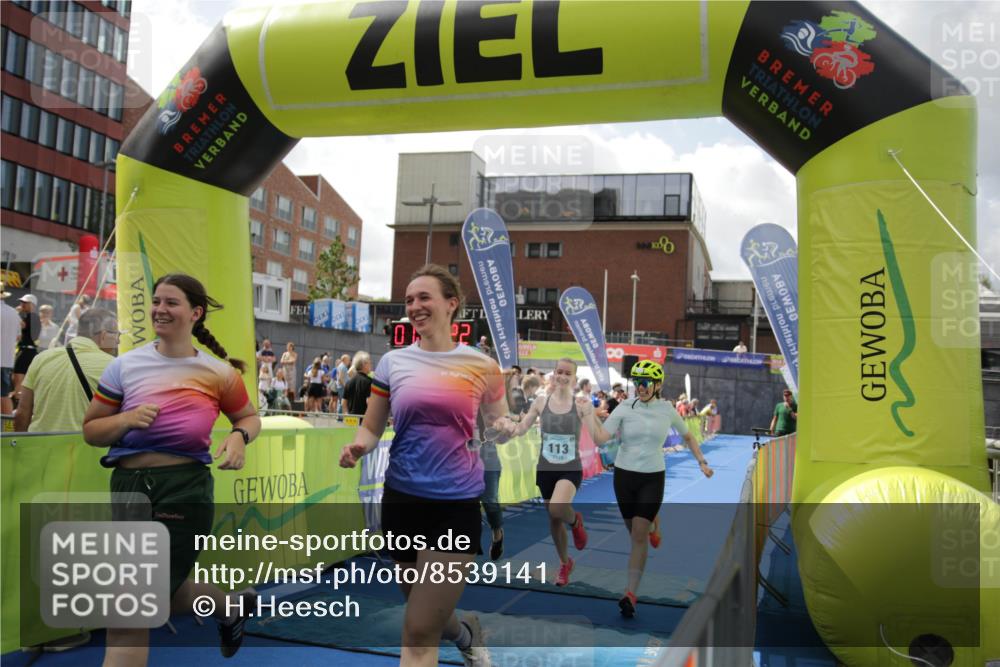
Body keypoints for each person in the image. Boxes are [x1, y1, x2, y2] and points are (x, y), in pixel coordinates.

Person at [340, 264, 516, 667]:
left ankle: (459, 633)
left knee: (418, 628)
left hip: (455, 505)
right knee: (427, 613)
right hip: (402, 501)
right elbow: (372, 426)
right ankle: (465, 631)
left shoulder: (482, 365)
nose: (414, 306)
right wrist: (358, 448)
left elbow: (497, 421)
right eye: (409, 300)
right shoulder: (393, 363)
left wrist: (505, 428)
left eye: (424, 298)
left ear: (451, 305)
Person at [82, 273, 260, 665]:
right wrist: (125, 420)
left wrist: (237, 438)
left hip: (183, 490)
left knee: (129, 606)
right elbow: (92, 430)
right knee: (154, 593)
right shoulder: (125, 366)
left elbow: (248, 418)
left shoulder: (218, 372)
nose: (160, 309)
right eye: (157, 301)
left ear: (195, 313)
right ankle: (229, 606)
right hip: (129, 489)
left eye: (171, 302)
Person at [578, 360, 714, 618]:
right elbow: (600, 439)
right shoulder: (624, 407)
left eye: (645, 383)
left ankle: (630, 593)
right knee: (636, 532)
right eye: (636, 383)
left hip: (652, 477)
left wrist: (702, 462)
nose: (639, 388)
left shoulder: (667, 409)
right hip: (624, 478)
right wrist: (586, 415)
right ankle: (654, 524)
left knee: (639, 536)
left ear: (658, 385)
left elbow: (688, 437)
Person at [511, 358, 590, 586]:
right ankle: (565, 563)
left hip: (570, 466)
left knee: (557, 508)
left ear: (574, 378)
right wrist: (506, 426)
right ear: (553, 374)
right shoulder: (540, 401)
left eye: (568, 373)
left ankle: (575, 522)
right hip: (546, 467)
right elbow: (522, 428)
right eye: (559, 371)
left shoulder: (581, 404)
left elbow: (598, 431)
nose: (562, 376)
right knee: (554, 518)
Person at [14, 309, 118, 432]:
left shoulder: (41, 359)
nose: (118, 341)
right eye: (117, 335)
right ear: (104, 336)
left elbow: (22, 413)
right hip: (87, 449)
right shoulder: (113, 366)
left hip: (39, 448)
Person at [12, 294, 41, 401]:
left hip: (26, 351)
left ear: (32, 305)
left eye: (25, 303)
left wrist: (15, 313)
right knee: (22, 380)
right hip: (28, 351)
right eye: (22, 302)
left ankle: (17, 404)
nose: (22, 304)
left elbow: (22, 325)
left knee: (19, 379)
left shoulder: (32, 316)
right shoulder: (31, 316)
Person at [1, 296, 23, 415]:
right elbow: (18, 336)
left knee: (4, 395)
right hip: (7, 359)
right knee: (4, 395)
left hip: (5, 358)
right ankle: (7, 429)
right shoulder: (14, 313)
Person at [342, 351, 373, 416]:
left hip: (351, 421)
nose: (371, 365)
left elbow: (344, 403)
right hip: (364, 420)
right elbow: (369, 402)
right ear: (364, 364)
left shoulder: (348, 382)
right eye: (370, 363)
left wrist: (346, 415)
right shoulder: (369, 382)